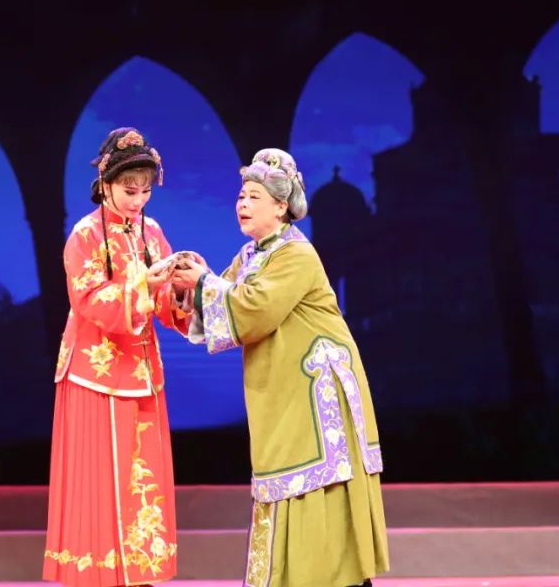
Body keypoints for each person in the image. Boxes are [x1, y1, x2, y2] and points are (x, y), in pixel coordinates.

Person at [171, 148, 389, 587]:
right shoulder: (252, 255)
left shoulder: (296, 254)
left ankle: (329, 577)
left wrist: (204, 283)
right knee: (285, 477)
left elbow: (254, 309)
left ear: (281, 206)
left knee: (313, 480)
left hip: (314, 392)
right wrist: (187, 283)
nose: (242, 203)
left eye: (254, 196)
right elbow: (223, 300)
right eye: (241, 196)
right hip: (282, 386)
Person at [43, 127, 192, 587]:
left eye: (146, 191)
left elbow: (163, 305)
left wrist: (180, 287)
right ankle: (99, 576)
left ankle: (140, 574)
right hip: (96, 372)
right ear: (106, 183)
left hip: (143, 370)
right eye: (130, 190)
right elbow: (89, 299)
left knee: (143, 479)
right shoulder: (85, 235)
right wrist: (143, 283)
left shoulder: (152, 231)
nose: (138, 200)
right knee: (102, 481)